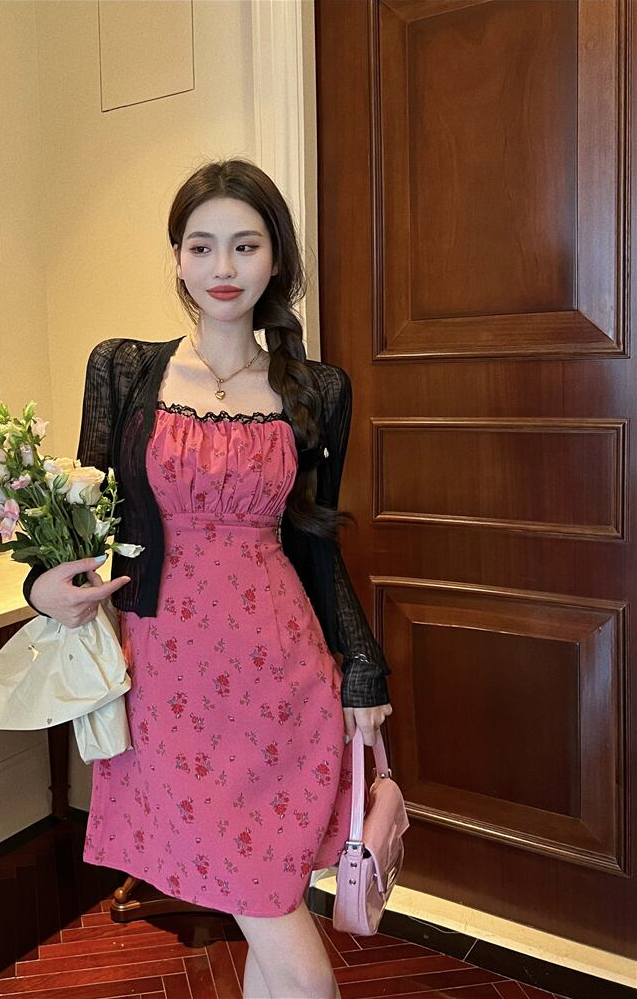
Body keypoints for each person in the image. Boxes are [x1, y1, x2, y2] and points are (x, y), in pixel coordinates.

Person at [23, 158, 393, 999]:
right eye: (202, 246)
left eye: (246, 246)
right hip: (166, 678)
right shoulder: (125, 371)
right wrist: (42, 587)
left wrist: (363, 665)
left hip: (284, 675)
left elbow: (316, 544)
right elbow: (83, 522)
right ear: (178, 258)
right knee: (268, 911)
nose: (223, 268)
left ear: (276, 258)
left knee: (269, 896)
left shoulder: (318, 390)